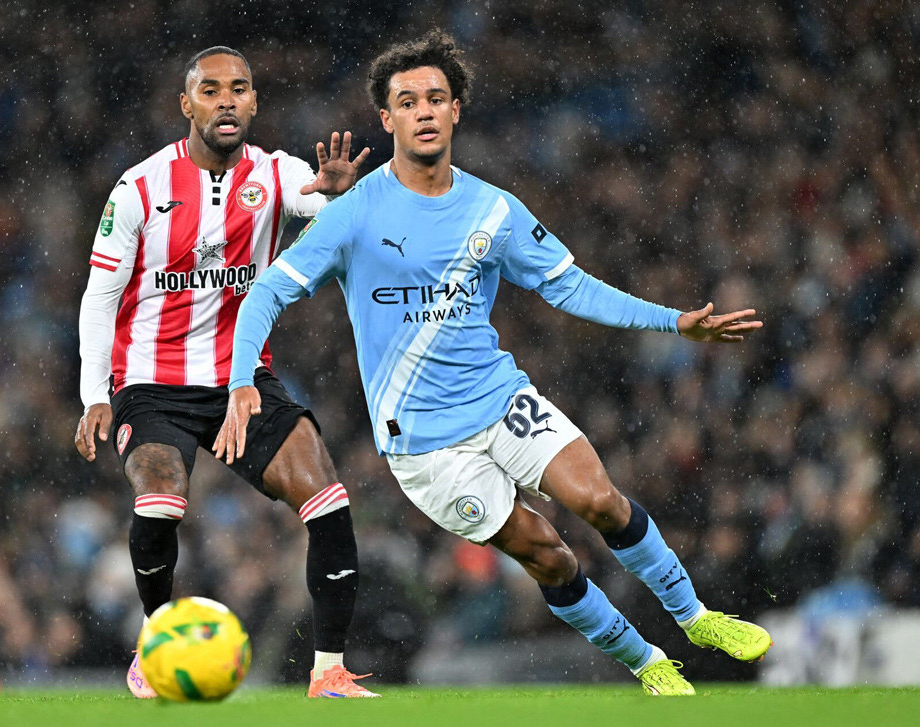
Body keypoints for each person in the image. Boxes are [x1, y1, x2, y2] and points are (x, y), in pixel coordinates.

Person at [216, 30, 772, 696]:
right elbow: (267, 292)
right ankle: (646, 661)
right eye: (406, 102)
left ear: (455, 110)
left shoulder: (492, 209)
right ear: (387, 119)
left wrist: (672, 320)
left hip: (500, 398)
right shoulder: (352, 213)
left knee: (600, 500)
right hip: (425, 445)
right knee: (549, 555)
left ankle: (697, 617)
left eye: (435, 98)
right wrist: (242, 379)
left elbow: (570, 286)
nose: (423, 111)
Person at [74, 46, 379, 699]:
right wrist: (94, 392)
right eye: (210, 90)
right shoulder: (139, 187)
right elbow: (100, 296)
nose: (226, 101)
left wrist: (339, 196)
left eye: (238, 88)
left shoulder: (277, 173)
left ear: (254, 102)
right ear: (186, 104)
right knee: (161, 495)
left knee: (327, 497)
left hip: (239, 380)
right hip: (151, 382)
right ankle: (154, 644)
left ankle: (328, 670)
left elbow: (332, 216)